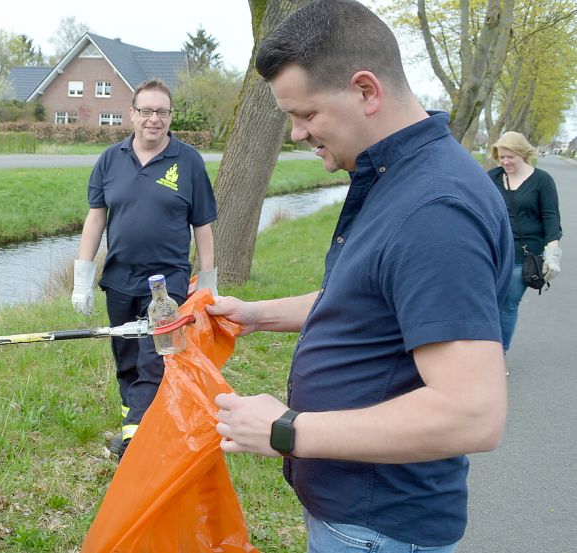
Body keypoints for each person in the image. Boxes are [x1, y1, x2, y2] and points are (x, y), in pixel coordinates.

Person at [204, 1, 513, 550]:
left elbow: (472, 414)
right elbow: (368, 298)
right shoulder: (398, 177)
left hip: (379, 527)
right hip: (359, 517)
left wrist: (285, 430)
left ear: (366, 90)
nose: (297, 134)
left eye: (306, 114)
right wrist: (255, 316)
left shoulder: (434, 210)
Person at [72, 79, 218, 460]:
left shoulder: (188, 162)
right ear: (133, 114)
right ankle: (137, 426)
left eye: (163, 112)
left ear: (171, 117)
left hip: (166, 285)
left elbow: (202, 226)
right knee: (127, 360)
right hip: (119, 280)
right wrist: (81, 279)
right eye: (147, 111)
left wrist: (208, 283)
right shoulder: (109, 159)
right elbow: (95, 219)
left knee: (156, 361)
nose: (154, 119)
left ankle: (135, 448)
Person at [488, 131, 563, 353]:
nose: (505, 161)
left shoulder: (542, 180)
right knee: (485, 304)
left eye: (510, 156)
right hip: (492, 251)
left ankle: (498, 354)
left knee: (507, 305)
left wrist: (552, 253)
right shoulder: (492, 177)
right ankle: (480, 351)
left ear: (523, 154)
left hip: (523, 255)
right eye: (501, 156)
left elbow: (551, 217)